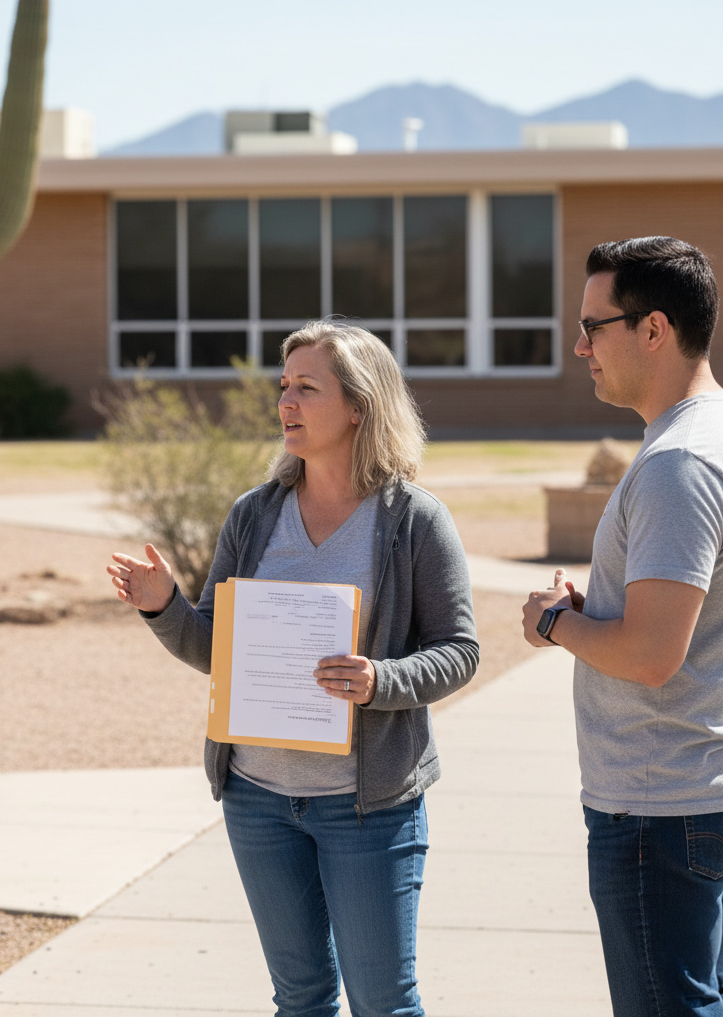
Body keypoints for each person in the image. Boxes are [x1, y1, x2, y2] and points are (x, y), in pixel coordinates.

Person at [108, 319, 479, 1016]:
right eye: (284, 386)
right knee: (300, 999)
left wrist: (381, 680)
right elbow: (217, 649)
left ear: (360, 405)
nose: (286, 402)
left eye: (307, 388)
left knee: (384, 1002)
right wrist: (166, 608)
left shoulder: (414, 522)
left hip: (366, 806)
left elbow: (461, 651)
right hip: (257, 800)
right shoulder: (254, 516)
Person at [522, 237, 723, 1017]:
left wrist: (557, 623)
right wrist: (597, 614)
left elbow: (653, 655)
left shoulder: (679, 463)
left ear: (653, 329)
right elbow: (701, 613)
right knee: (707, 998)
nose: (579, 345)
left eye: (595, 326)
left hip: (664, 804)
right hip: (710, 787)